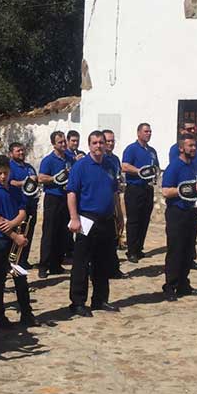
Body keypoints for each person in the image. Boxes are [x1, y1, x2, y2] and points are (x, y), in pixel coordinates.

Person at [66, 131, 120, 317]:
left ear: (106, 145)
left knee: (103, 262)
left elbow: (114, 193)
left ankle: (100, 299)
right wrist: (74, 218)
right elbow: (71, 193)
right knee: (81, 262)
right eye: (95, 143)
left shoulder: (110, 165)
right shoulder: (80, 166)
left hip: (106, 220)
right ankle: (78, 302)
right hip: (87, 219)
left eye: (101, 142)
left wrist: (119, 216)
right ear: (89, 145)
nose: (98, 146)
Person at [0, 156, 36, 328]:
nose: (2, 176)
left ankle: (26, 313)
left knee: (20, 276)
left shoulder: (15, 190)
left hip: (15, 239)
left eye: (5, 173)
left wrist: (13, 225)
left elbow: (23, 211)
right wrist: (15, 236)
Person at [161, 133, 197, 301]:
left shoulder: (193, 166)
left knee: (188, 250)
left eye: (194, 146)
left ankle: (183, 284)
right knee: (176, 250)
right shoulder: (174, 167)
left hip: (191, 213)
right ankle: (170, 286)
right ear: (181, 148)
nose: (194, 149)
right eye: (190, 146)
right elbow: (166, 191)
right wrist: (182, 191)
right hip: (176, 213)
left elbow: (195, 187)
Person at [169, 122, 197, 269]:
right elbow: (175, 170)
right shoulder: (175, 149)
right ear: (182, 131)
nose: (192, 130)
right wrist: (187, 188)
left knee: (193, 228)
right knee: (179, 235)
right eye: (188, 129)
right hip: (183, 194)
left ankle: (190, 259)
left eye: (194, 128)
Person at [37, 130, 74, 278]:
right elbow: (41, 178)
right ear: (53, 144)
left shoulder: (70, 158)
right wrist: (55, 178)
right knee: (49, 232)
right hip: (53, 198)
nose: (64, 144)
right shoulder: (48, 160)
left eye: (64, 141)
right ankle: (43, 266)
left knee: (63, 233)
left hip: (66, 198)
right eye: (60, 142)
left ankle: (56, 264)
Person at [121, 123, 159, 261]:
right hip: (134, 189)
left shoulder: (152, 151)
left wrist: (155, 174)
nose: (148, 133)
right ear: (138, 133)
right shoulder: (131, 149)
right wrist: (139, 171)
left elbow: (156, 168)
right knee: (134, 220)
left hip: (148, 189)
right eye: (146, 131)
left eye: (150, 131)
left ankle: (139, 248)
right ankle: (131, 251)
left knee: (144, 219)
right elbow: (124, 166)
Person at [6, 142, 38, 273]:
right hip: (17, 205)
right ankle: (11, 261)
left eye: (22, 150)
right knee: (16, 232)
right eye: (18, 151)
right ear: (11, 153)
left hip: (31, 204)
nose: (21, 153)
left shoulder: (29, 167)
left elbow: (35, 181)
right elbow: (10, 182)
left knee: (28, 232)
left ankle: (23, 260)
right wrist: (24, 182)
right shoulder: (9, 167)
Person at [102, 129, 126, 277]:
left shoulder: (115, 160)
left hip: (114, 200)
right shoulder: (97, 159)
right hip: (99, 205)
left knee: (114, 236)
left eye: (112, 141)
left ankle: (113, 268)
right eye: (107, 141)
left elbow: (117, 181)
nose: (110, 144)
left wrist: (120, 212)